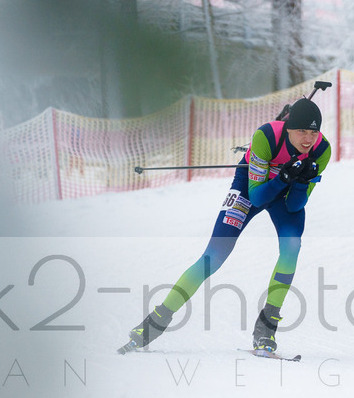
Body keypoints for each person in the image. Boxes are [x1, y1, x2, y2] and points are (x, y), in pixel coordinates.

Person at [120, 97, 331, 354]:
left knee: (292, 247)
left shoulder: (322, 150)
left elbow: (295, 206)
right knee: (214, 256)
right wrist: (283, 177)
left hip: (285, 194)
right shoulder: (267, 136)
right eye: (301, 131)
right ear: (288, 128)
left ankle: (266, 327)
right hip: (250, 187)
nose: (308, 139)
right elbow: (257, 197)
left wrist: (298, 182)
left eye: (313, 131)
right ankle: (154, 322)